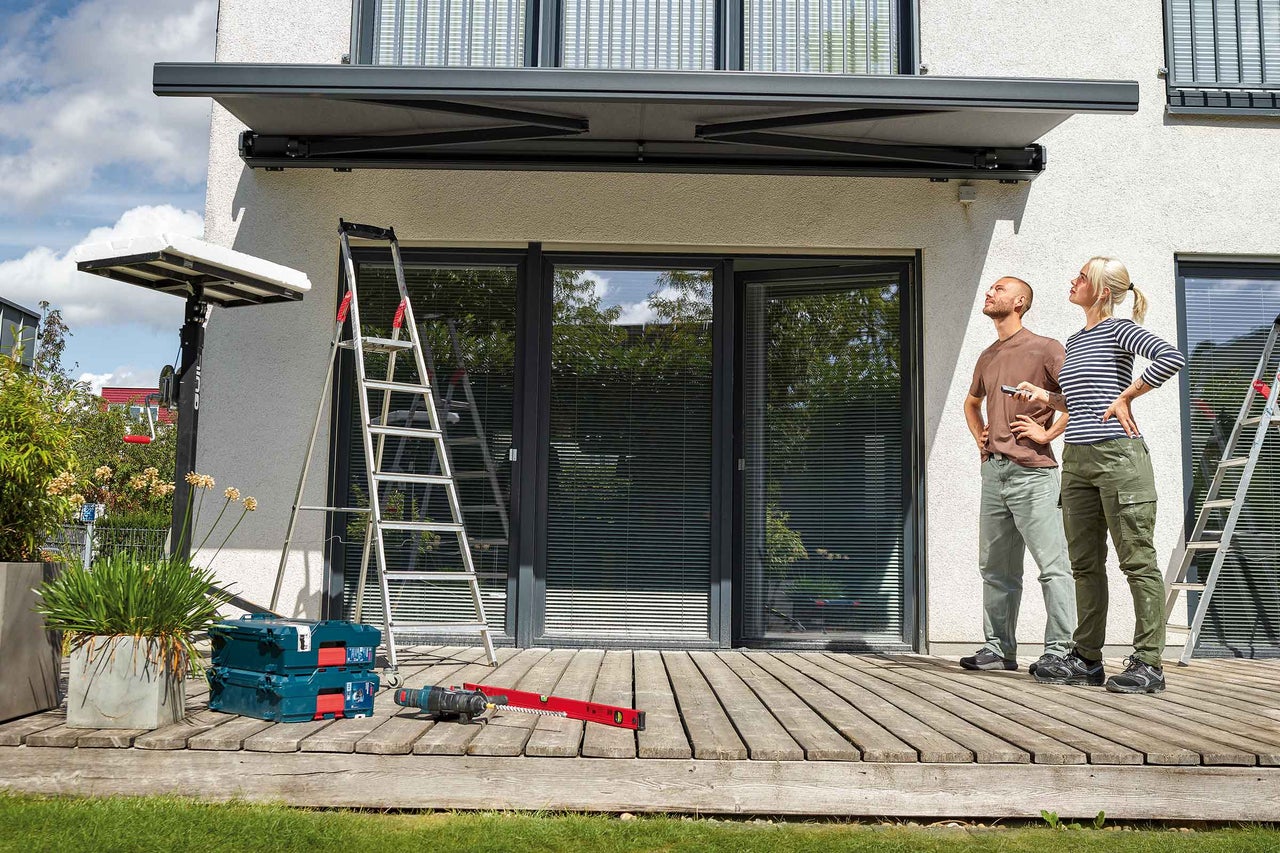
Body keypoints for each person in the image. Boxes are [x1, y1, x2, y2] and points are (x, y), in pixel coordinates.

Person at [1017, 257, 1186, 694]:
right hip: (1077, 458)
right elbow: (1083, 401)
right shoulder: (1076, 340)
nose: (1072, 280)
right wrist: (1047, 396)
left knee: (1136, 560)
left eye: (1081, 276)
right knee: (1085, 564)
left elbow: (1171, 357)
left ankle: (1149, 663)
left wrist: (1129, 395)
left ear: (1102, 290)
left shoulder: (1119, 329)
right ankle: (1086, 658)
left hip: (1118, 459)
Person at [960, 277, 1075, 675]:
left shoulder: (1046, 347)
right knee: (995, 569)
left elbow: (1077, 398)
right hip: (995, 473)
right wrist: (980, 437)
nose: (989, 292)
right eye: (989, 288)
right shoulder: (988, 355)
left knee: (1053, 566)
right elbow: (971, 403)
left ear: (1020, 301)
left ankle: (1060, 652)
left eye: (999, 288)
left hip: (1034, 474)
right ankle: (998, 649)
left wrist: (1046, 433)